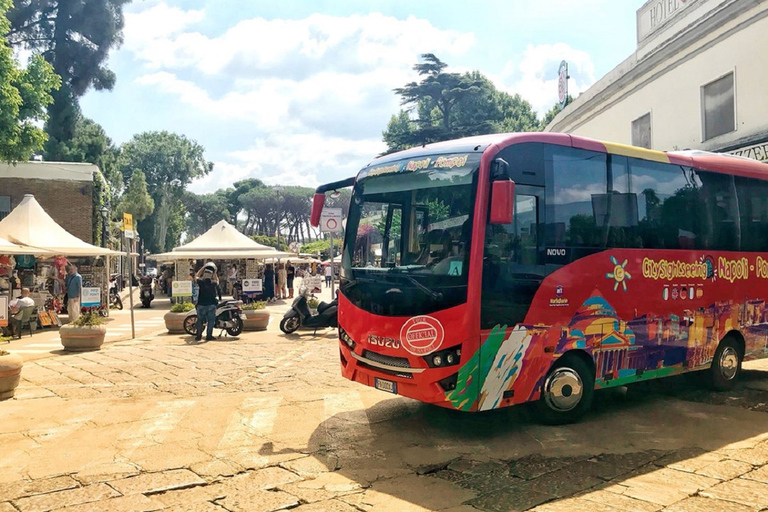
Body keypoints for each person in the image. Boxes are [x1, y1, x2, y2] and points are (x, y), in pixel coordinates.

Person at [194, 263, 221, 342]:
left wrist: (202, 268)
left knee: (200, 321)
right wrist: (215, 273)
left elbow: (196, 276)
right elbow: (217, 281)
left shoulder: (201, 282)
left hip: (201, 304)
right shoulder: (213, 283)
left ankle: (198, 335)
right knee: (211, 321)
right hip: (211, 305)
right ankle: (209, 336)